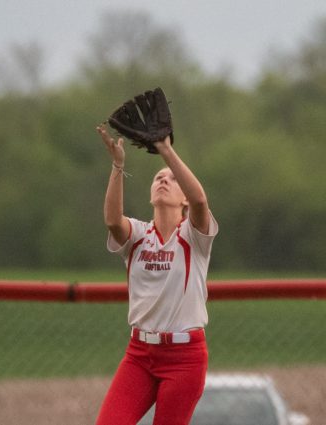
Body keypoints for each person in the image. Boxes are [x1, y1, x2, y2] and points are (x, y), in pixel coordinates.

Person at [95, 123, 219, 425]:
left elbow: (201, 201)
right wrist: (118, 165)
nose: (164, 179)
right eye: (158, 177)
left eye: (172, 179)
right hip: (140, 353)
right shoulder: (138, 235)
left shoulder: (194, 237)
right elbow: (113, 220)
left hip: (184, 358)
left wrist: (165, 150)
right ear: (150, 193)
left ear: (184, 199)